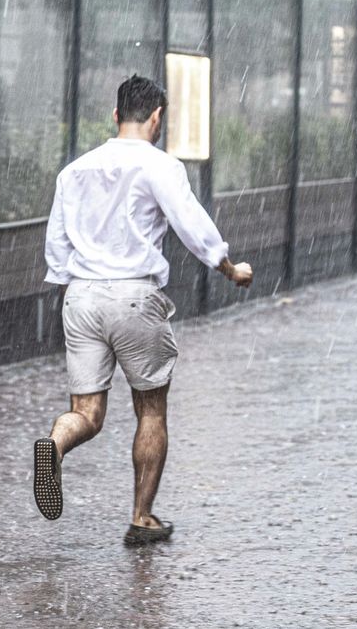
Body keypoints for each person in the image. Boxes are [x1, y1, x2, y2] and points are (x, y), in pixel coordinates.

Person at [34, 74, 253, 546]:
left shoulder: (74, 171)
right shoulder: (160, 166)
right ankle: (141, 517)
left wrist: (69, 282)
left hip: (82, 294)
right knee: (150, 410)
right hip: (133, 294)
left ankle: (54, 445)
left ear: (115, 116)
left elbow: (56, 241)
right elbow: (190, 223)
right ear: (156, 117)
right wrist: (227, 266)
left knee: (87, 413)